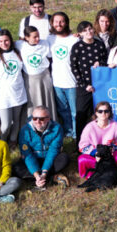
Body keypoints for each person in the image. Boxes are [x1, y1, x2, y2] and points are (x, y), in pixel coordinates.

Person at [0, 29, 27, 144]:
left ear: (11, 40)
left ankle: (13, 141)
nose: (4, 43)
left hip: (18, 92)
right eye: (1, 41)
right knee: (6, 123)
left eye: (6, 40)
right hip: (3, 95)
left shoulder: (18, 52)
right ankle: (1, 143)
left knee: (17, 120)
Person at [70, 21, 108, 142]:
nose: (89, 32)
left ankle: (99, 140)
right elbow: (74, 67)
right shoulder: (77, 47)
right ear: (80, 33)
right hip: (84, 86)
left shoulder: (99, 44)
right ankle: (80, 143)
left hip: (99, 86)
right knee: (81, 115)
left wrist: (100, 63)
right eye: (85, 31)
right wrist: (84, 85)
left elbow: (105, 60)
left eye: (90, 29)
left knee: (99, 114)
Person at [15, 106, 69, 190]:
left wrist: (44, 173)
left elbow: (53, 151)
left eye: (41, 119)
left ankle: (40, 179)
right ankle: (48, 178)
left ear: (48, 118)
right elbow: (27, 154)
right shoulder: (24, 130)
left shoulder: (57, 128)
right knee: (17, 167)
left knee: (64, 158)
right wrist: (37, 175)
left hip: (49, 158)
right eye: (35, 118)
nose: (38, 121)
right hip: (33, 158)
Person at [48, 11, 79, 139]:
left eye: (61, 21)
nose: (59, 24)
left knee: (74, 111)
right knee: (63, 110)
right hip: (57, 82)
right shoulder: (49, 39)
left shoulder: (74, 39)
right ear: (52, 23)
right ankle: (68, 131)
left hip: (72, 82)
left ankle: (77, 133)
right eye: (56, 22)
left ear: (66, 23)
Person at [78, 102, 117, 178]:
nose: (103, 113)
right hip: (95, 156)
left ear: (109, 113)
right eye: (100, 111)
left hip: (109, 156)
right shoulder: (89, 127)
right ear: (96, 113)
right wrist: (95, 153)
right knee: (81, 159)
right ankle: (91, 175)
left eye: (106, 111)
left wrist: (112, 149)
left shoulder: (115, 125)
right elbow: (82, 147)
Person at [16, 26, 57, 122]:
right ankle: (32, 124)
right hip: (30, 78)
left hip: (44, 76)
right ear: (26, 37)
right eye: (34, 37)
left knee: (47, 101)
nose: (38, 39)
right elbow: (3, 47)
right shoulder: (20, 45)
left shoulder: (44, 43)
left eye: (38, 36)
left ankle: (49, 123)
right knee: (32, 103)